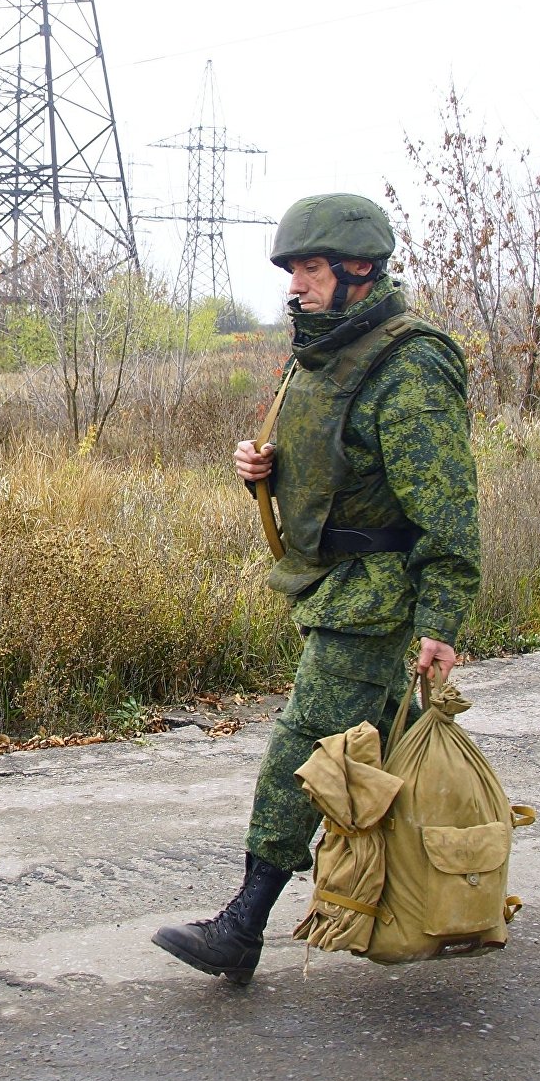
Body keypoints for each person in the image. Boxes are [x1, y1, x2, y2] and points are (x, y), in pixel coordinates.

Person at [152, 193, 482, 985]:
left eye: (310, 268)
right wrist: (263, 475)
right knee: (383, 757)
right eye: (292, 269)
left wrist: (441, 618)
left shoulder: (406, 364)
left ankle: (244, 923)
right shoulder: (322, 354)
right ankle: (448, 891)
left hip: (377, 595)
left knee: (302, 751)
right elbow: (339, 470)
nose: (295, 285)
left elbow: (448, 507)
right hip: (330, 584)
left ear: (358, 268)